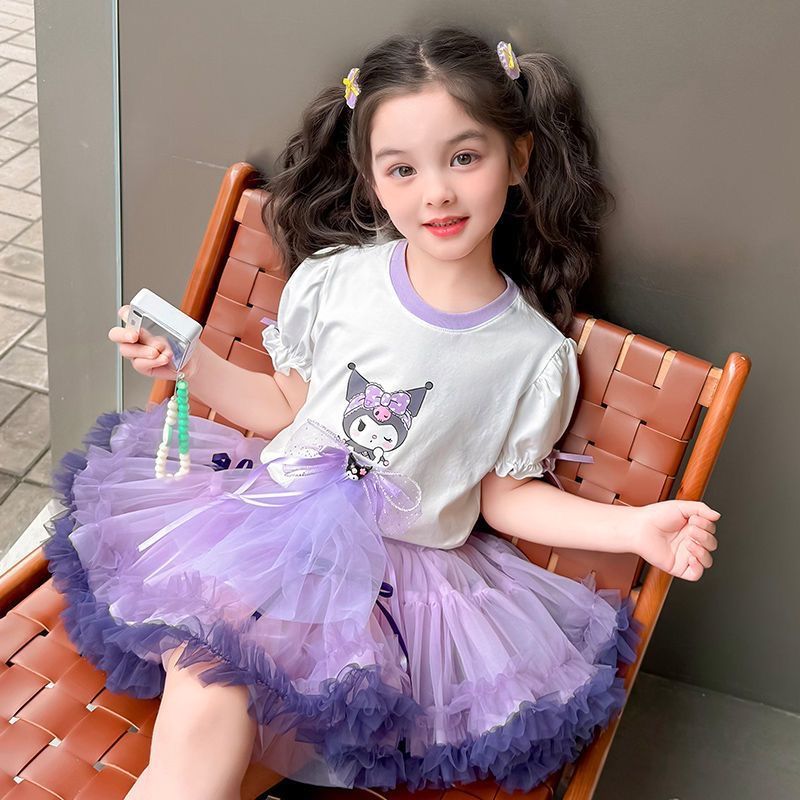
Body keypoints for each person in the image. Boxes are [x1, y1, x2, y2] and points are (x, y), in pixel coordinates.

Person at [43, 26, 720, 800]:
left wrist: (633, 528)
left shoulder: (531, 356)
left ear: (518, 157)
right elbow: (287, 406)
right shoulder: (338, 282)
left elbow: (502, 497)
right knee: (215, 689)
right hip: (266, 534)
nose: (436, 193)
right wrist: (188, 362)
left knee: (222, 739)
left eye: (464, 158)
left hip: (394, 594)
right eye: (403, 169)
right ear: (372, 178)